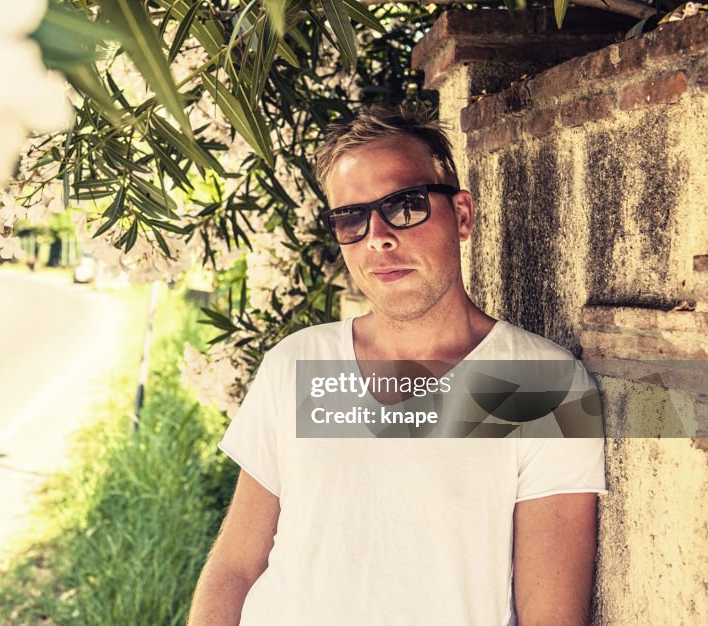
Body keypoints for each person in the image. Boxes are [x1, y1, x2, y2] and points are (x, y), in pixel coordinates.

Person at [187, 104, 607, 625]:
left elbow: (551, 618)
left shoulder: (545, 387)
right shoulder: (297, 365)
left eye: (405, 206)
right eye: (351, 217)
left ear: (462, 215)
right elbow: (235, 565)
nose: (379, 237)